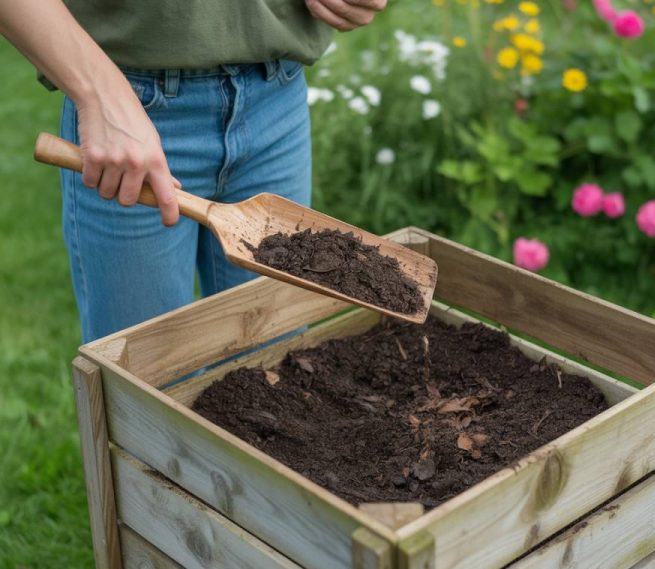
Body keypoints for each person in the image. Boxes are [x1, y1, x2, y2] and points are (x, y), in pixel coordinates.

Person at [0, 0, 386, 342]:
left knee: (279, 369)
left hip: (277, 96)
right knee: (146, 385)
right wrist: (99, 96)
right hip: (132, 112)